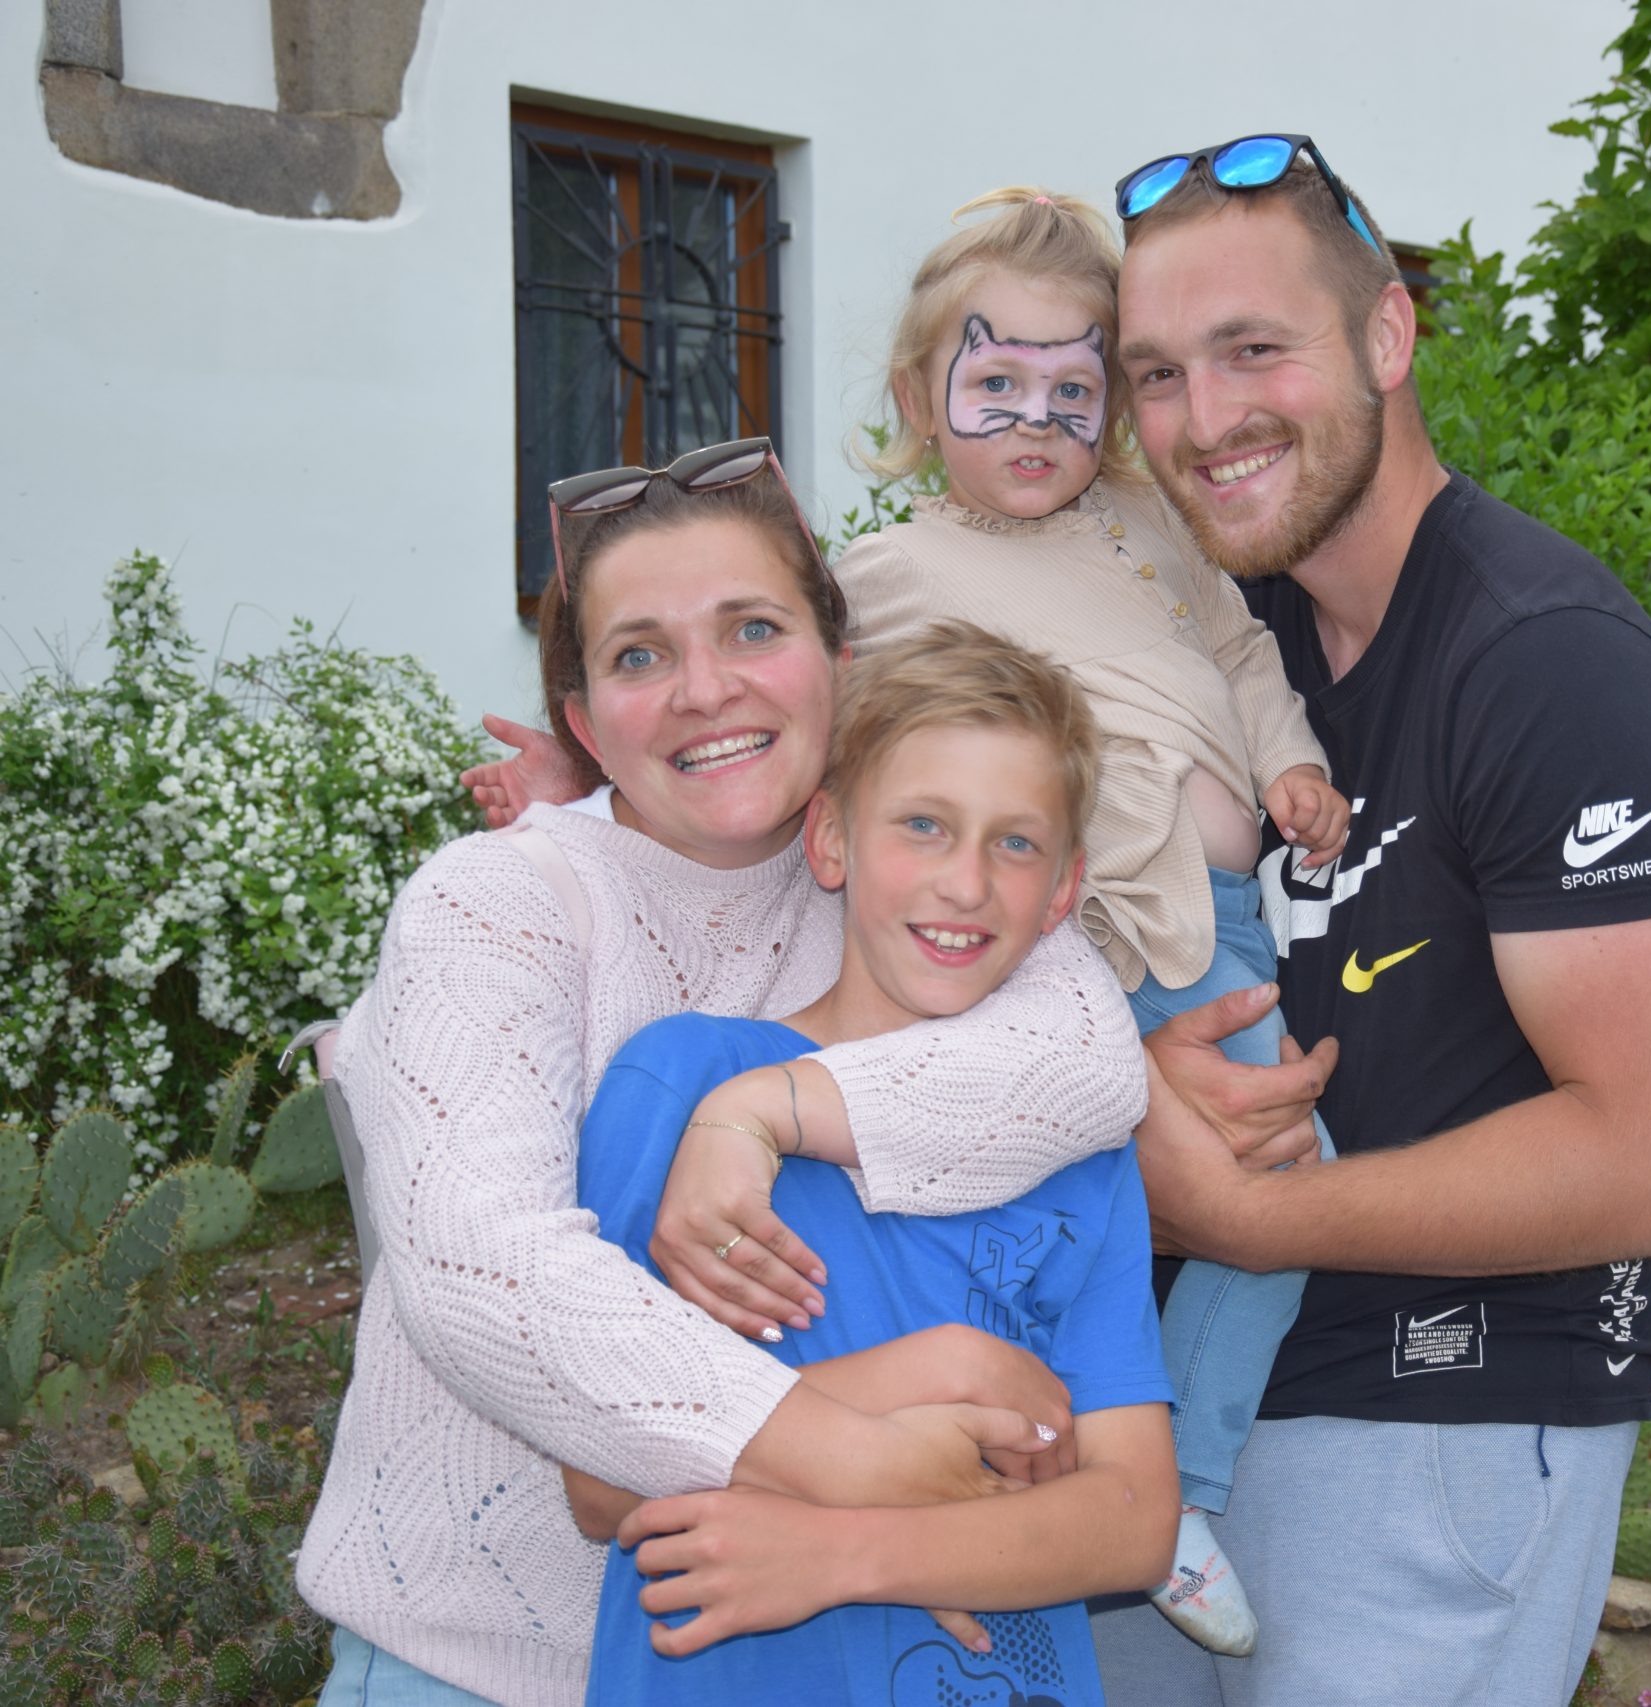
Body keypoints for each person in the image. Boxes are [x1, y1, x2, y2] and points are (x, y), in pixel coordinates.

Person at [465, 188, 1351, 1660]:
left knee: (1281, 1182)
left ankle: (1151, 1471)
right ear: (920, 400)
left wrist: (1288, 761)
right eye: (997, 384)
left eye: (1075, 389)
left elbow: (1246, 655)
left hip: (1219, 934)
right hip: (1084, 933)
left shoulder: (1153, 527)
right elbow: (770, 719)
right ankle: (1169, 1489)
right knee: (1194, 1185)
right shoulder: (888, 573)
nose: (1036, 421)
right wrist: (595, 780)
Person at [298, 442, 1150, 1707]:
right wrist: (861, 1461)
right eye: (639, 656)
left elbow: (1088, 1061)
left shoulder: (904, 876)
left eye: (753, 628)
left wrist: (760, 1111)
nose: (705, 689)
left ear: (837, 664)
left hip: (822, 1655)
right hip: (477, 1662)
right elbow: (482, 1270)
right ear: (584, 724)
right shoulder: (500, 905)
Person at [1083, 137, 1651, 1706]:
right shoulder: (1224, 643)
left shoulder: (1547, 662)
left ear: (1388, 334)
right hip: (1162, 1418)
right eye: (1157, 373)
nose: (1202, 418)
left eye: (1255, 349)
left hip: (1435, 1416)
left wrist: (1241, 1214)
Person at [562, 621, 1178, 1703]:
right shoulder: (682, 1083)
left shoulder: (1080, 1155)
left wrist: (841, 1552)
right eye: (923, 825)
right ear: (831, 840)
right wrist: (935, 1373)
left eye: (1015, 843)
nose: (967, 882)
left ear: (1063, 891)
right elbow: (601, 1481)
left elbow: (1133, 1521)